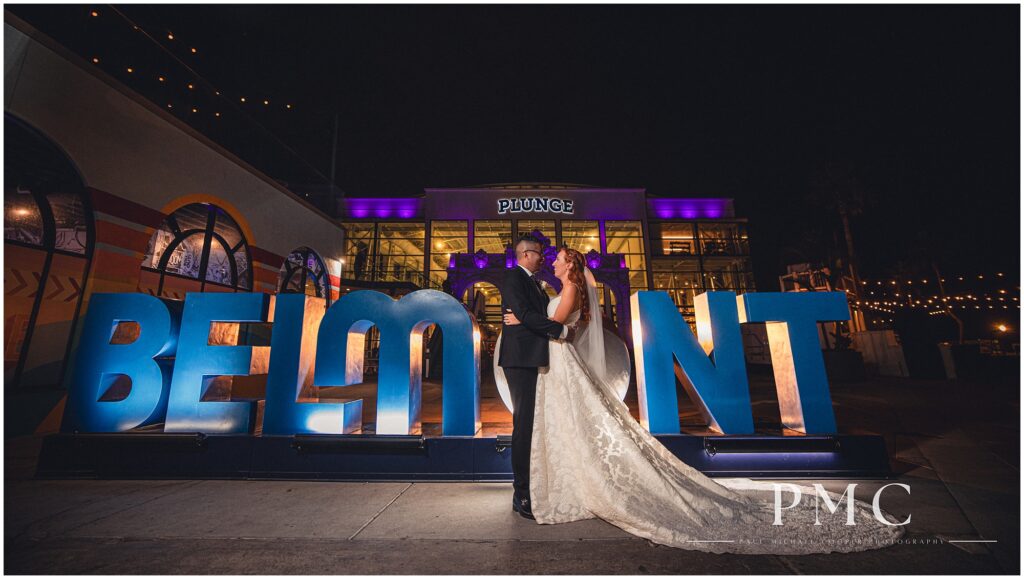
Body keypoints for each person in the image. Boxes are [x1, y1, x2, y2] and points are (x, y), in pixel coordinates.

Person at [500, 245, 906, 555]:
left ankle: (567, 483)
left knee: (574, 423)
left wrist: (522, 320)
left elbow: (556, 325)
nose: (549, 261)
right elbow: (550, 321)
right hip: (549, 366)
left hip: (558, 361)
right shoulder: (550, 286)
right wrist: (530, 319)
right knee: (558, 425)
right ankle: (551, 480)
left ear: (569, 266)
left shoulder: (568, 289)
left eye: (554, 259)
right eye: (542, 256)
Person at [497, 235, 574, 520]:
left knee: (533, 424)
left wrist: (524, 318)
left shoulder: (534, 283)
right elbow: (527, 313)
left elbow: (530, 314)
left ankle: (534, 486)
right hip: (519, 361)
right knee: (523, 425)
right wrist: (560, 331)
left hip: (534, 358)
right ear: (526, 255)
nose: (544, 258)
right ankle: (521, 494)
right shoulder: (513, 278)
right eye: (540, 254)